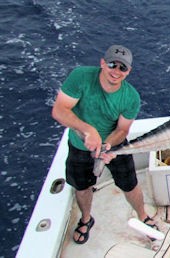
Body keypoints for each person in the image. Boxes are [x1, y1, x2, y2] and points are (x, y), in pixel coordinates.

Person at [52, 45, 157, 244]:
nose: (116, 71)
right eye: (112, 65)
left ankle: (143, 216)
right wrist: (88, 131)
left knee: (130, 185)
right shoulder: (80, 77)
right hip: (80, 146)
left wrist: (107, 145)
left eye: (122, 68)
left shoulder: (131, 97)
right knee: (82, 188)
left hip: (114, 147)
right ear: (102, 63)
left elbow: (122, 130)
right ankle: (86, 219)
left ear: (128, 72)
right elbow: (59, 110)